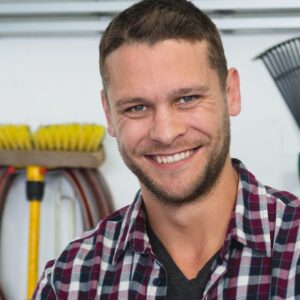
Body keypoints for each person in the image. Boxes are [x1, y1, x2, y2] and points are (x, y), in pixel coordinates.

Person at [33, 0, 300, 299]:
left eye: (187, 98)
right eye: (137, 107)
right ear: (109, 115)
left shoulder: (294, 250)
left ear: (231, 93)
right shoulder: (71, 280)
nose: (166, 133)